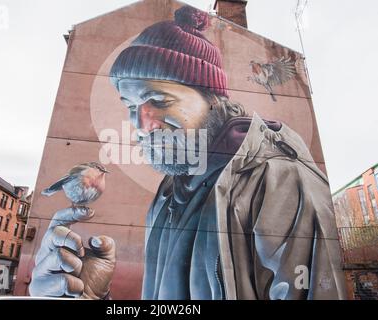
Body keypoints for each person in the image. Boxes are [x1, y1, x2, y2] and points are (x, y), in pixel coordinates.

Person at [29, 5, 346, 300]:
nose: (142, 124)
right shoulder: (170, 191)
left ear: (212, 98)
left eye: (159, 100)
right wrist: (94, 296)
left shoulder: (280, 181)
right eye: (130, 106)